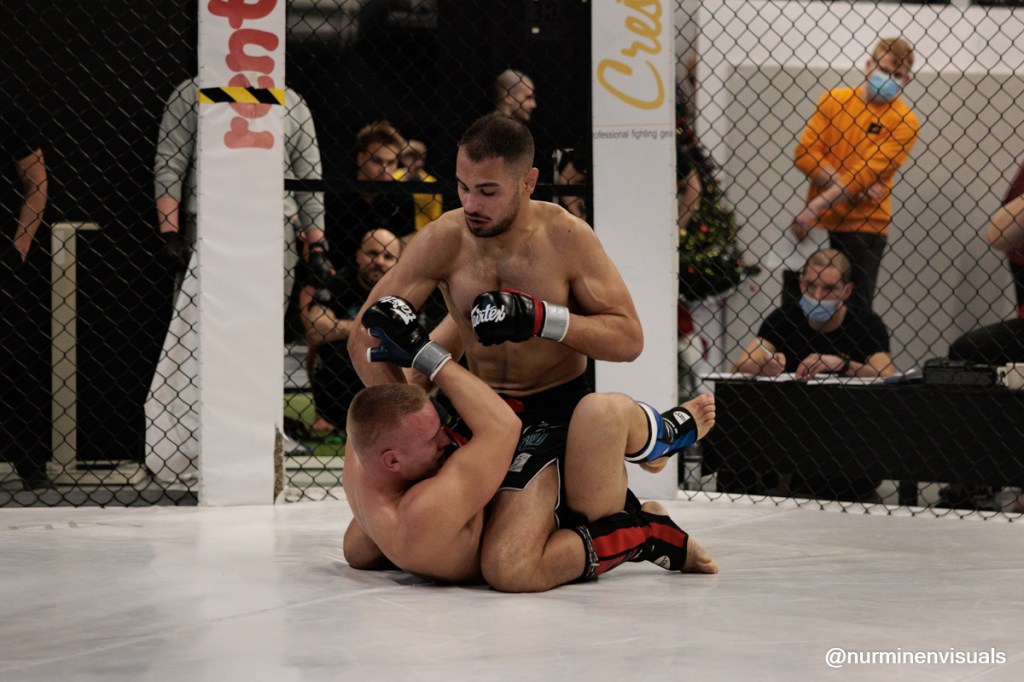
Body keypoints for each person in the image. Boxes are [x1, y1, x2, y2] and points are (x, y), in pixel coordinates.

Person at [348, 112, 647, 589]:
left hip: (551, 414)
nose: (471, 204)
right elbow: (366, 333)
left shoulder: (566, 237)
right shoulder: (446, 238)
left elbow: (629, 338)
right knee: (364, 550)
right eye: (463, 187)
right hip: (477, 412)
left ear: (528, 182)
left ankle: (645, 529)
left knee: (509, 567)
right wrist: (410, 422)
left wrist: (542, 318)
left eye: (487, 191)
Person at [343, 295, 718, 589]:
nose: (445, 437)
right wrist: (425, 352)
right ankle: (648, 530)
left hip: (524, 419)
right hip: (512, 431)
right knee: (510, 566)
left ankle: (660, 436)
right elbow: (503, 428)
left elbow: (386, 388)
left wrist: (460, 309)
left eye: (440, 427)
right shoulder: (421, 512)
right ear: (391, 461)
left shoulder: (365, 459)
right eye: (431, 437)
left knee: (365, 549)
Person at [146, 77, 328, 482]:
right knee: (200, 335)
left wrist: (317, 246)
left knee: (262, 336)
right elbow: (170, 160)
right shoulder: (193, 92)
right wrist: (169, 232)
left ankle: (260, 440)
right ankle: (199, 440)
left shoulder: (290, 100)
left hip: (272, 226)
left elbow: (308, 176)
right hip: (209, 221)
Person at [730, 248, 896, 503]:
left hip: (846, 440)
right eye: (810, 285)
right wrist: (764, 365)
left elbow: (886, 374)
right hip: (791, 435)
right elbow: (740, 364)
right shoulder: (784, 318)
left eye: (828, 289)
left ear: (847, 291)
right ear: (800, 283)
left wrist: (840, 365)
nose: (817, 296)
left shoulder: (866, 324)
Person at [791, 37, 920, 313]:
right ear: (869, 65)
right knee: (802, 302)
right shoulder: (833, 100)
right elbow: (804, 154)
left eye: (897, 75)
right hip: (821, 221)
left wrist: (816, 204)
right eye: (884, 70)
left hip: (864, 226)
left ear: (907, 80)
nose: (889, 78)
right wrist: (854, 187)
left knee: (855, 311)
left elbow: (867, 171)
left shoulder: (905, 122)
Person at [302, 228, 402, 435]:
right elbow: (316, 329)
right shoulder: (339, 282)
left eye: (388, 257)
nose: (379, 261)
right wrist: (378, 328)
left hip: (392, 377)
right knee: (334, 349)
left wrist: (341, 327)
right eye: (373, 253)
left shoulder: (406, 290)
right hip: (341, 384)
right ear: (358, 256)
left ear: (398, 264)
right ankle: (332, 418)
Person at [0, 101, 50, 490]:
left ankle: (30, 461)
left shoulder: (8, 112)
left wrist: (19, 246)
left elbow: (37, 182)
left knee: (12, 355)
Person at [493, 69, 586, 219]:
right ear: (508, 96)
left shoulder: (517, 132)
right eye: (528, 97)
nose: (534, 104)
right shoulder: (494, 133)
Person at [325, 120, 415, 261]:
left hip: (387, 272)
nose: (384, 169)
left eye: (391, 162)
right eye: (377, 161)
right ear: (361, 158)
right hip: (337, 269)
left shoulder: (402, 197)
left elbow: (406, 245)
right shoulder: (336, 193)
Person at [393, 139, 443, 232]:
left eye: (421, 158)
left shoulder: (431, 182)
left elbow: (436, 214)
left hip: (424, 231)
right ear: (403, 159)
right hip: (397, 230)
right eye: (413, 157)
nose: (418, 162)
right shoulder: (393, 178)